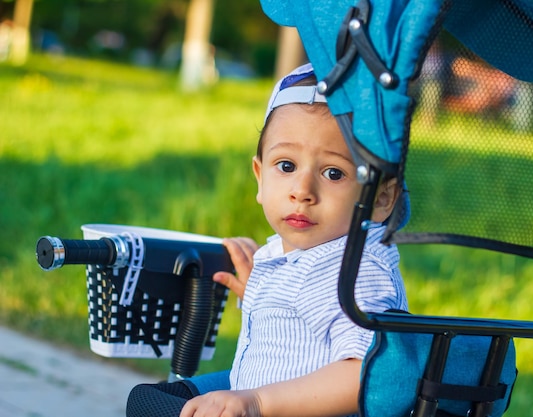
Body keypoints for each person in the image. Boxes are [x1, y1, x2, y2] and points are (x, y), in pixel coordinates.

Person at [126, 63, 408, 417]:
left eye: (333, 173)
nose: (302, 191)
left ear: (381, 198)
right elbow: (300, 328)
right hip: (257, 400)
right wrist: (260, 293)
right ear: (260, 177)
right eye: (286, 166)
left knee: (155, 407)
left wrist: (258, 402)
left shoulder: (357, 269)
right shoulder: (300, 254)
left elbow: (366, 374)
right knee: (149, 400)